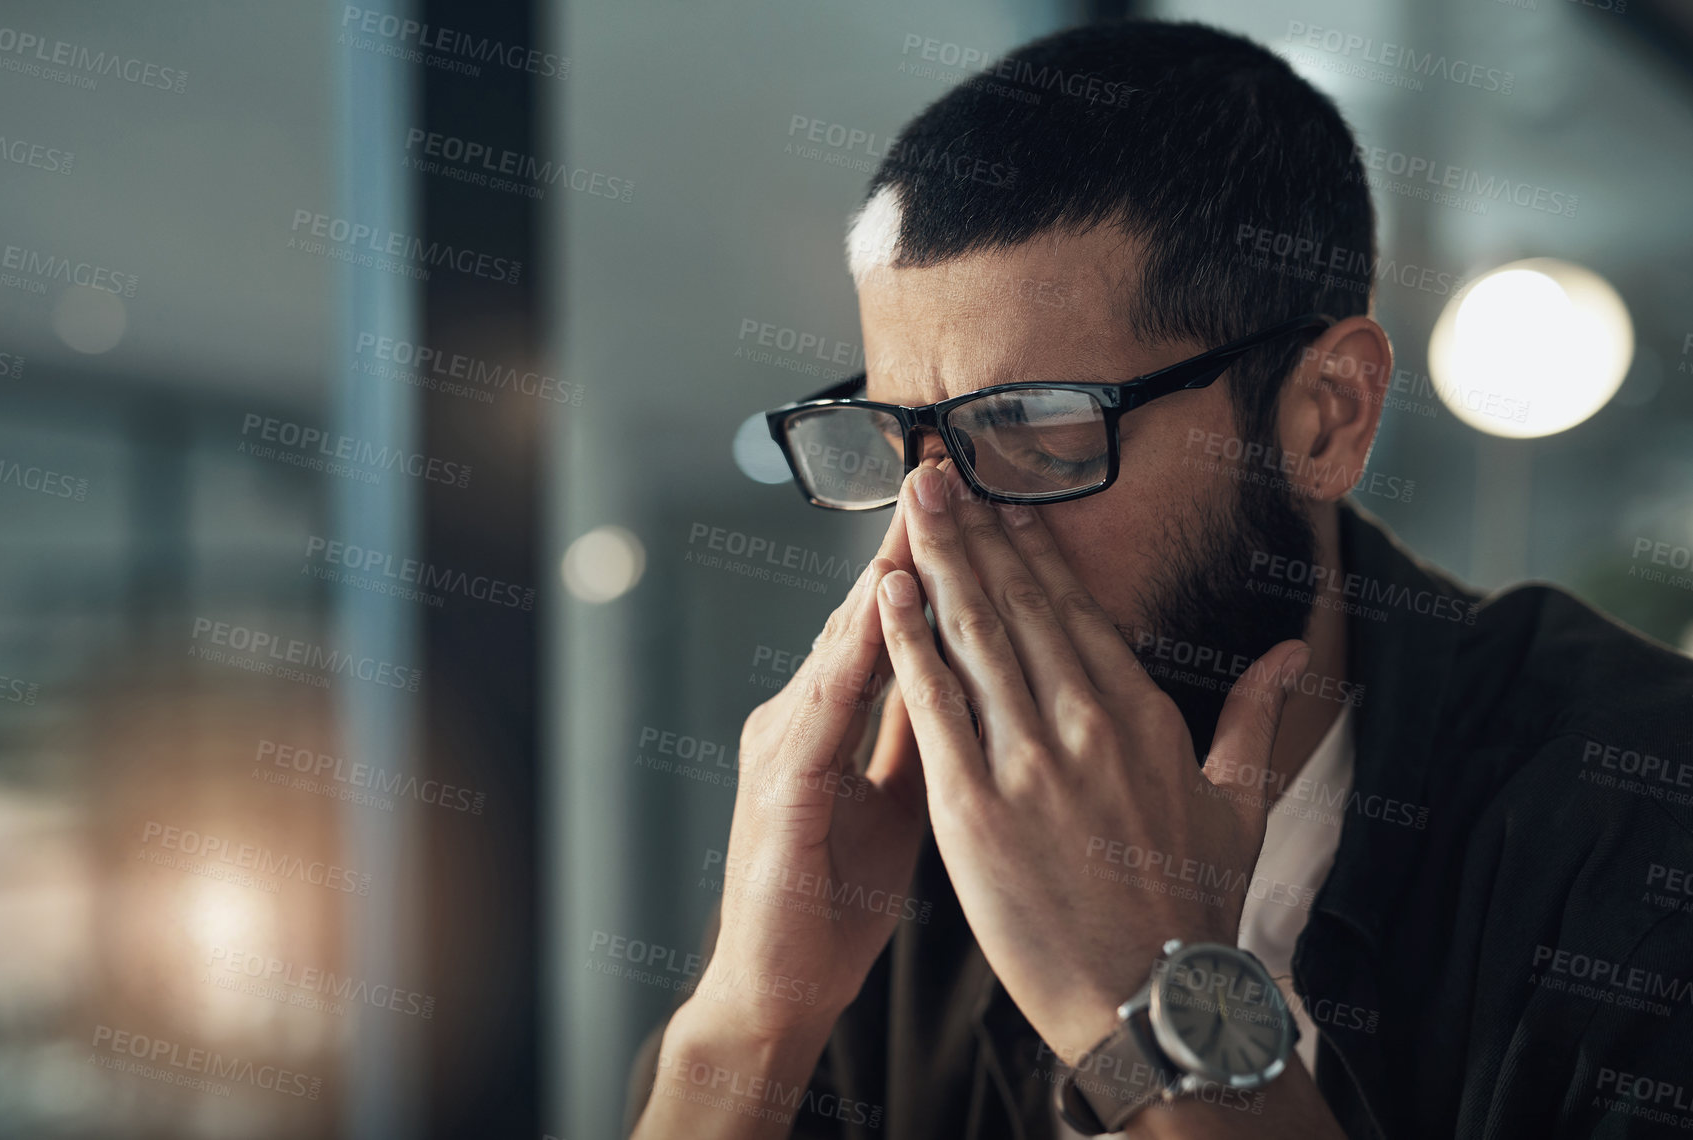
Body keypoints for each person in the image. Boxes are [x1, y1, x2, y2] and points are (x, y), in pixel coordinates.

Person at [626, 20, 1693, 1139]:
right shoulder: (892, 854)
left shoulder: (1639, 822)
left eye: (1036, 429)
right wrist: (746, 1024)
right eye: (902, 441)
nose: (936, 537)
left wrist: (1141, 999)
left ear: (1327, 414)